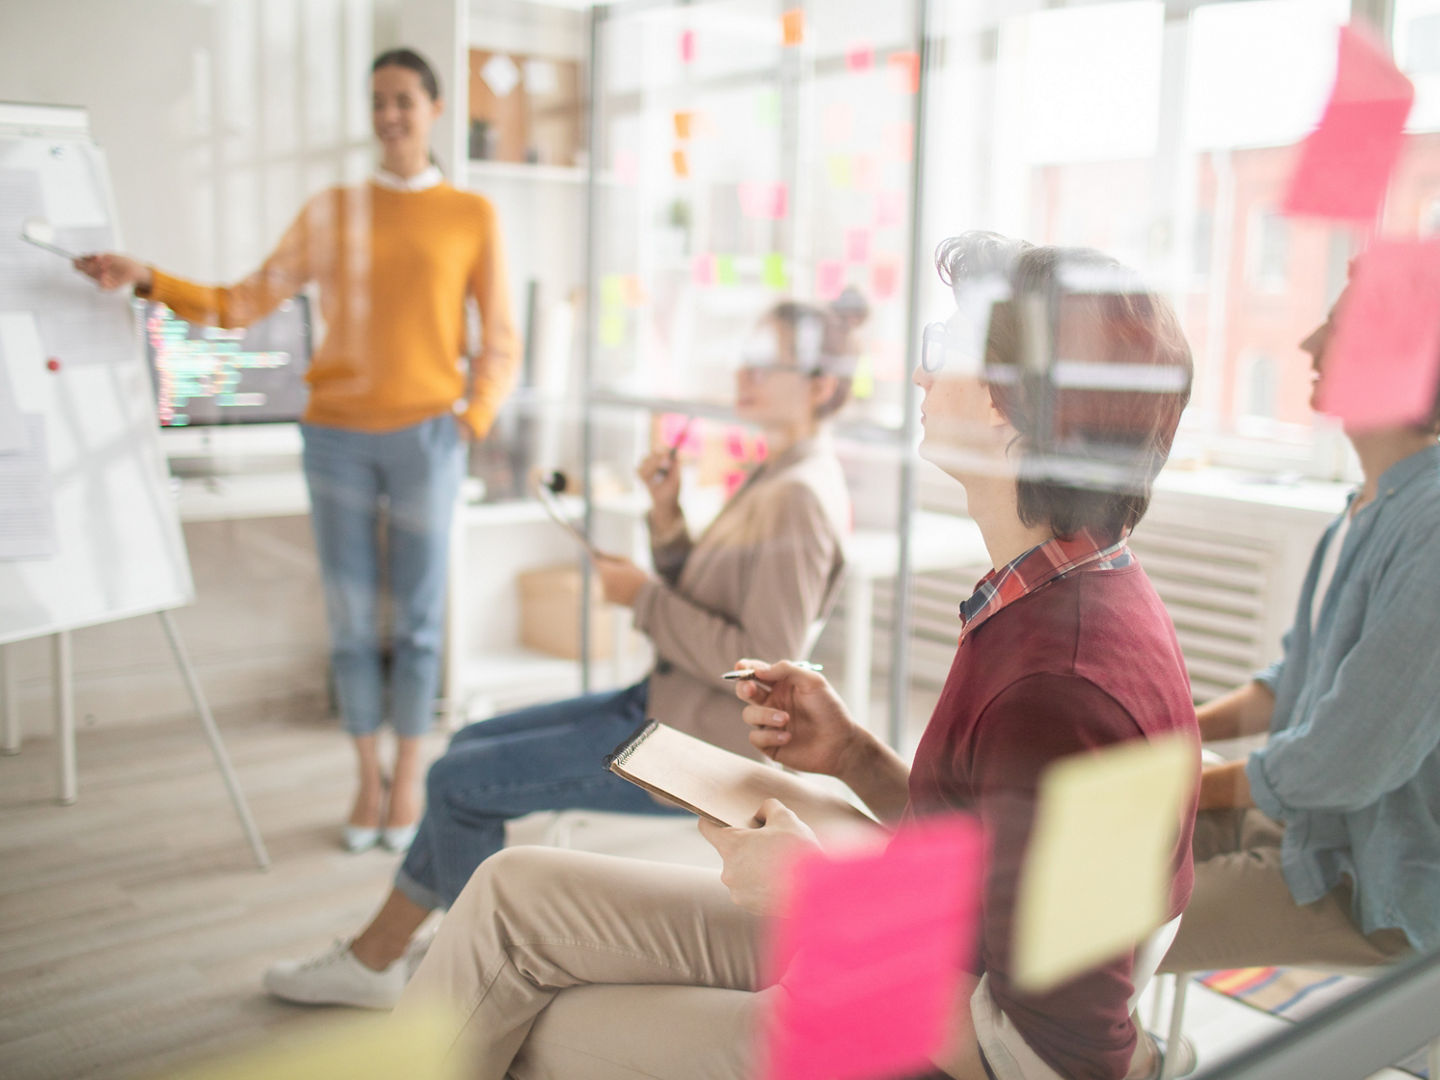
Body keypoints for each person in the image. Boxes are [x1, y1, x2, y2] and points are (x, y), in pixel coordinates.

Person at [393, 234, 1200, 1080]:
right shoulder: (1053, 595)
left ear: (1013, 406)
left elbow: (1045, 1061)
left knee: (520, 1020)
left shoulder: (1061, 687)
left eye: (944, 353)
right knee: (512, 893)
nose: (921, 378)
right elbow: (983, 839)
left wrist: (820, 902)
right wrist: (854, 756)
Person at [260, 294, 864, 1009]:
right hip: (663, 705)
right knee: (468, 748)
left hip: (698, 746)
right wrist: (667, 523)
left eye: (769, 362)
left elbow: (759, 663)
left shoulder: (797, 495)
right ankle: (384, 960)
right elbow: (719, 601)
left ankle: (466, 986)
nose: (746, 373)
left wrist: (641, 596)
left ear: (822, 385)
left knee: (458, 781)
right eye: (747, 357)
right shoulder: (775, 473)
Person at [74, 49, 519, 854]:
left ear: (435, 107)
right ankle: (364, 776)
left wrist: (472, 419)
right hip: (337, 439)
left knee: (418, 623)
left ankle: (409, 771)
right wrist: (150, 279)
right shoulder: (332, 210)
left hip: (429, 437)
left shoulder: (470, 215)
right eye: (377, 101)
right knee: (351, 622)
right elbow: (244, 301)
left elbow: (501, 341)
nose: (389, 115)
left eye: (404, 100)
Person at [1157, 268, 1440, 980]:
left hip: (1364, 881)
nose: (1311, 342)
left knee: (1077, 939)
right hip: (1301, 826)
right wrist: (1179, 736)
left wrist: (1188, 783)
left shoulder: (1431, 528)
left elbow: (1347, 759)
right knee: (1081, 858)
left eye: (1337, 329)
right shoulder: (1367, 504)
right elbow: (1297, 681)